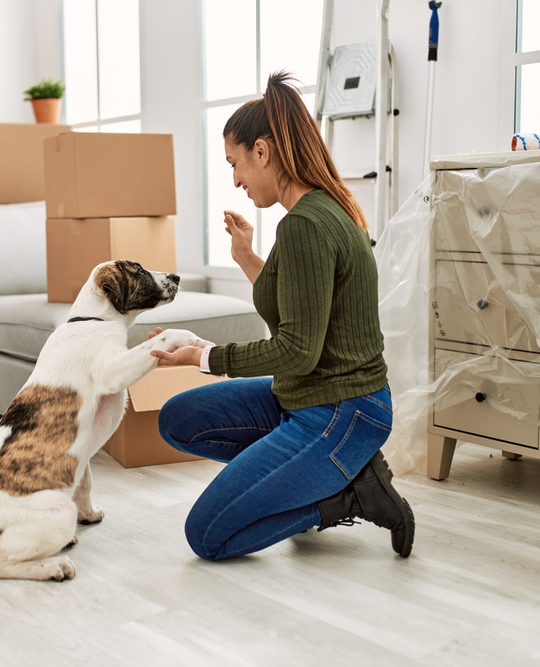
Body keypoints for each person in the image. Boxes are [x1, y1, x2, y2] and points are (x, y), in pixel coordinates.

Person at [149, 71, 414, 562]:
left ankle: (344, 496)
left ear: (263, 152)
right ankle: (299, 475)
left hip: (343, 409)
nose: (235, 180)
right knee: (179, 419)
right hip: (307, 395)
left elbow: (296, 348)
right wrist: (247, 256)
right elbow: (298, 305)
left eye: (236, 163)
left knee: (208, 535)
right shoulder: (315, 213)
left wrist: (202, 355)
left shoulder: (306, 225)